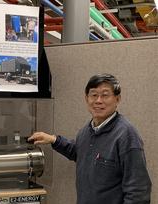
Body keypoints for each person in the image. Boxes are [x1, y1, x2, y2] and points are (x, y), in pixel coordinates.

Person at [28, 73, 151, 204]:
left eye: (105, 95)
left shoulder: (126, 135)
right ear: (86, 98)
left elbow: (139, 191)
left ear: (117, 99)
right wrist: (54, 139)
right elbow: (78, 152)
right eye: (93, 95)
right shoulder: (87, 130)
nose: (98, 100)